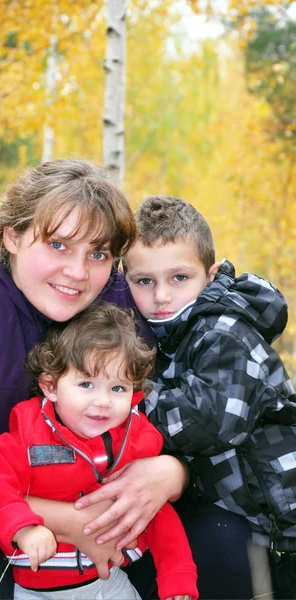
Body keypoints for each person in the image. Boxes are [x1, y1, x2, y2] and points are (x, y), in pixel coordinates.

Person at [0, 160, 187, 600]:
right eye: (58, 245)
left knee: (221, 541)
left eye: (98, 254)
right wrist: (69, 523)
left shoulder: (118, 303)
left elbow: (187, 419)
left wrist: (172, 472)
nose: (78, 272)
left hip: (106, 521)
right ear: (13, 237)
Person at [123, 194, 296, 600]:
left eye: (179, 278)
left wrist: (126, 394)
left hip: (284, 529)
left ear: (211, 273)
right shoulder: (169, 335)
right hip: (245, 525)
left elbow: (210, 422)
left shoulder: (225, 332)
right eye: (144, 281)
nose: (161, 296)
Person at [0, 303, 199, 600]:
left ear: (134, 395)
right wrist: (23, 529)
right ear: (50, 386)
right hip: (36, 590)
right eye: (87, 384)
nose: (103, 401)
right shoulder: (30, 436)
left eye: (117, 388)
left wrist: (176, 574)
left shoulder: (136, 441)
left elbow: (156, 513)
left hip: (109, 584)